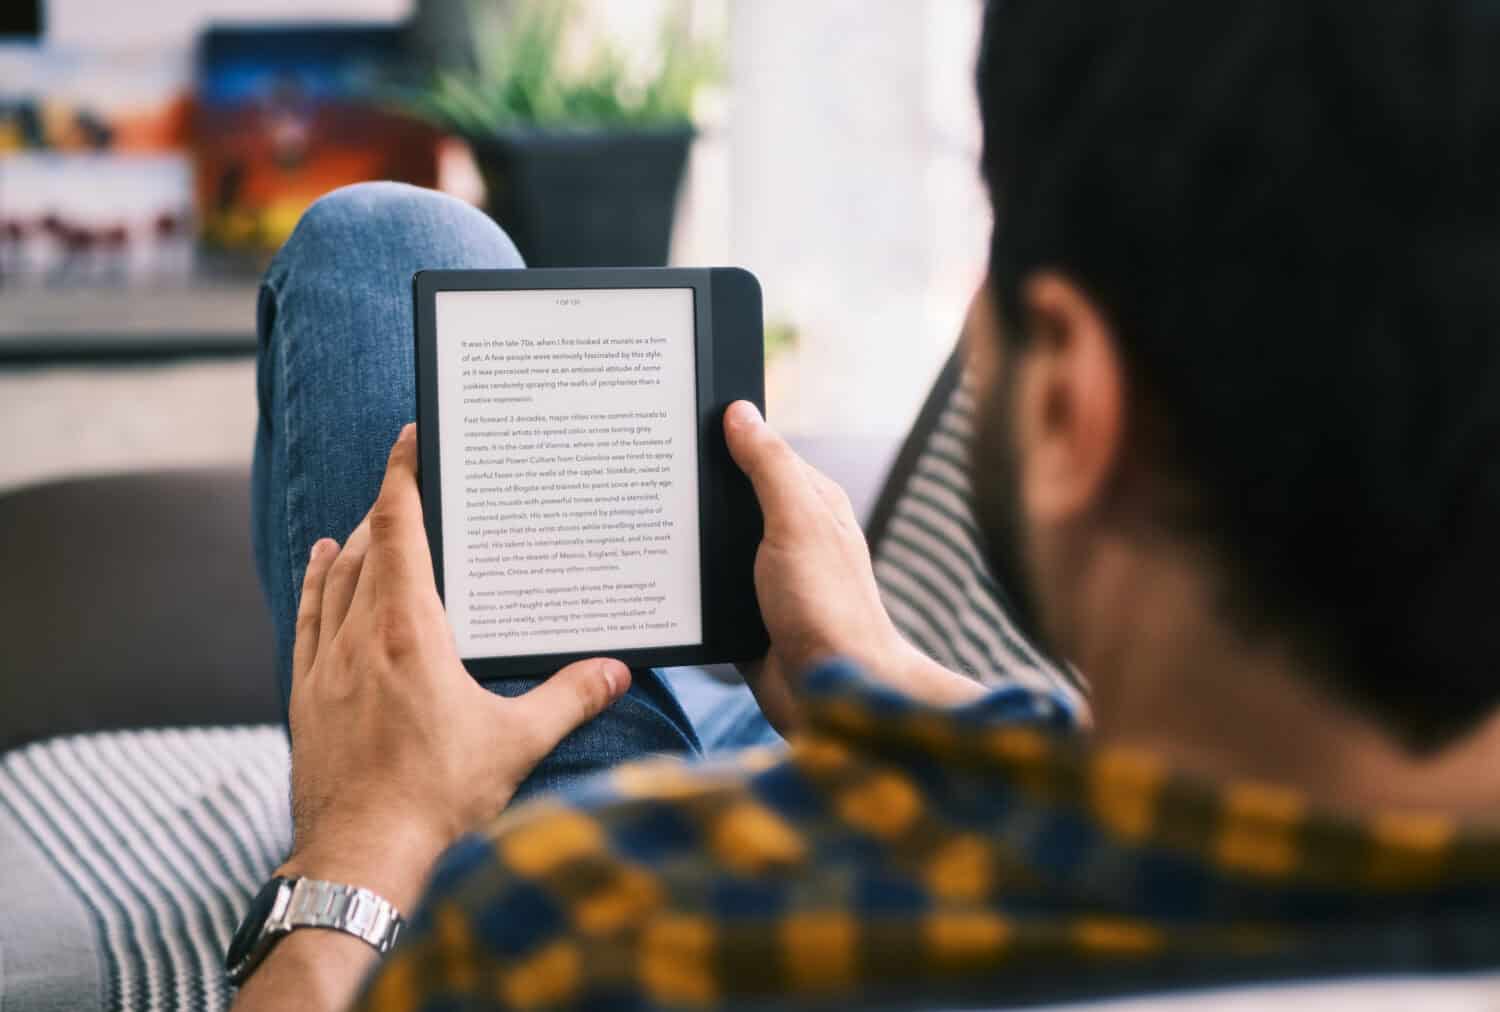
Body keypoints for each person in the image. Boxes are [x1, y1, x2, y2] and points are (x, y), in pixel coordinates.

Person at [234, 0, 1500, 1008]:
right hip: (894, 754)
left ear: (1070, 410)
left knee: (384, 245)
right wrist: (875, 676)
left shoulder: (583, 927)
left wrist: (364, 839)